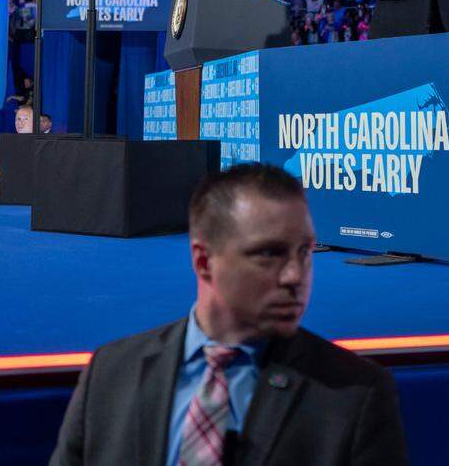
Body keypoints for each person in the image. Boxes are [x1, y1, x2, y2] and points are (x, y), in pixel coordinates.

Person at [49, 164, 408, 466]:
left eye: (304, 251)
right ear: (204, 261)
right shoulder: (110, 374)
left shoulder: (353, 394)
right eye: (269, 254)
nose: (295, 276)